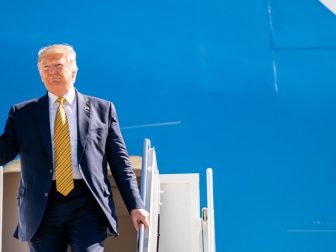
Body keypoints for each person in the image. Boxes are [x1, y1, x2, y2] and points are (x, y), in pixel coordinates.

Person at [0, 44, 149, 252]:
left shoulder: (102, 110)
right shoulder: (22, 113)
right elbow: (4, 150)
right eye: (45, 67)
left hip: (88, 202)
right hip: (42, 206)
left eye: (58, 65)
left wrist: (136, 205)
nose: (51, 71)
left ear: (74, 70)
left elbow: (120, 162)